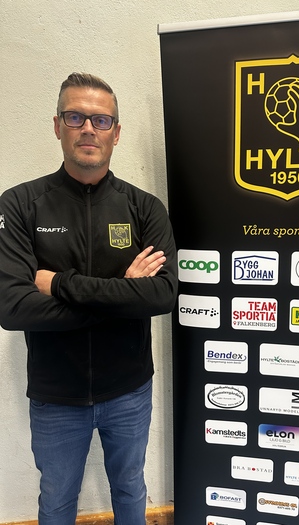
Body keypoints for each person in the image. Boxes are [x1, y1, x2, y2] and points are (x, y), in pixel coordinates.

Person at [0, 73, 178, 525]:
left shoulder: (145, 207)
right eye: (75, 117)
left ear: (116, 132)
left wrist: (60, 284)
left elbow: (162, 294)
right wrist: (124, 294)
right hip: (56, 395)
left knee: (130, 489)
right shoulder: (19, 205)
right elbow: (13, 307)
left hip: (129, 390)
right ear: (57, 125)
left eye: (101, 120)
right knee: (57, 500)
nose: (88, 129)